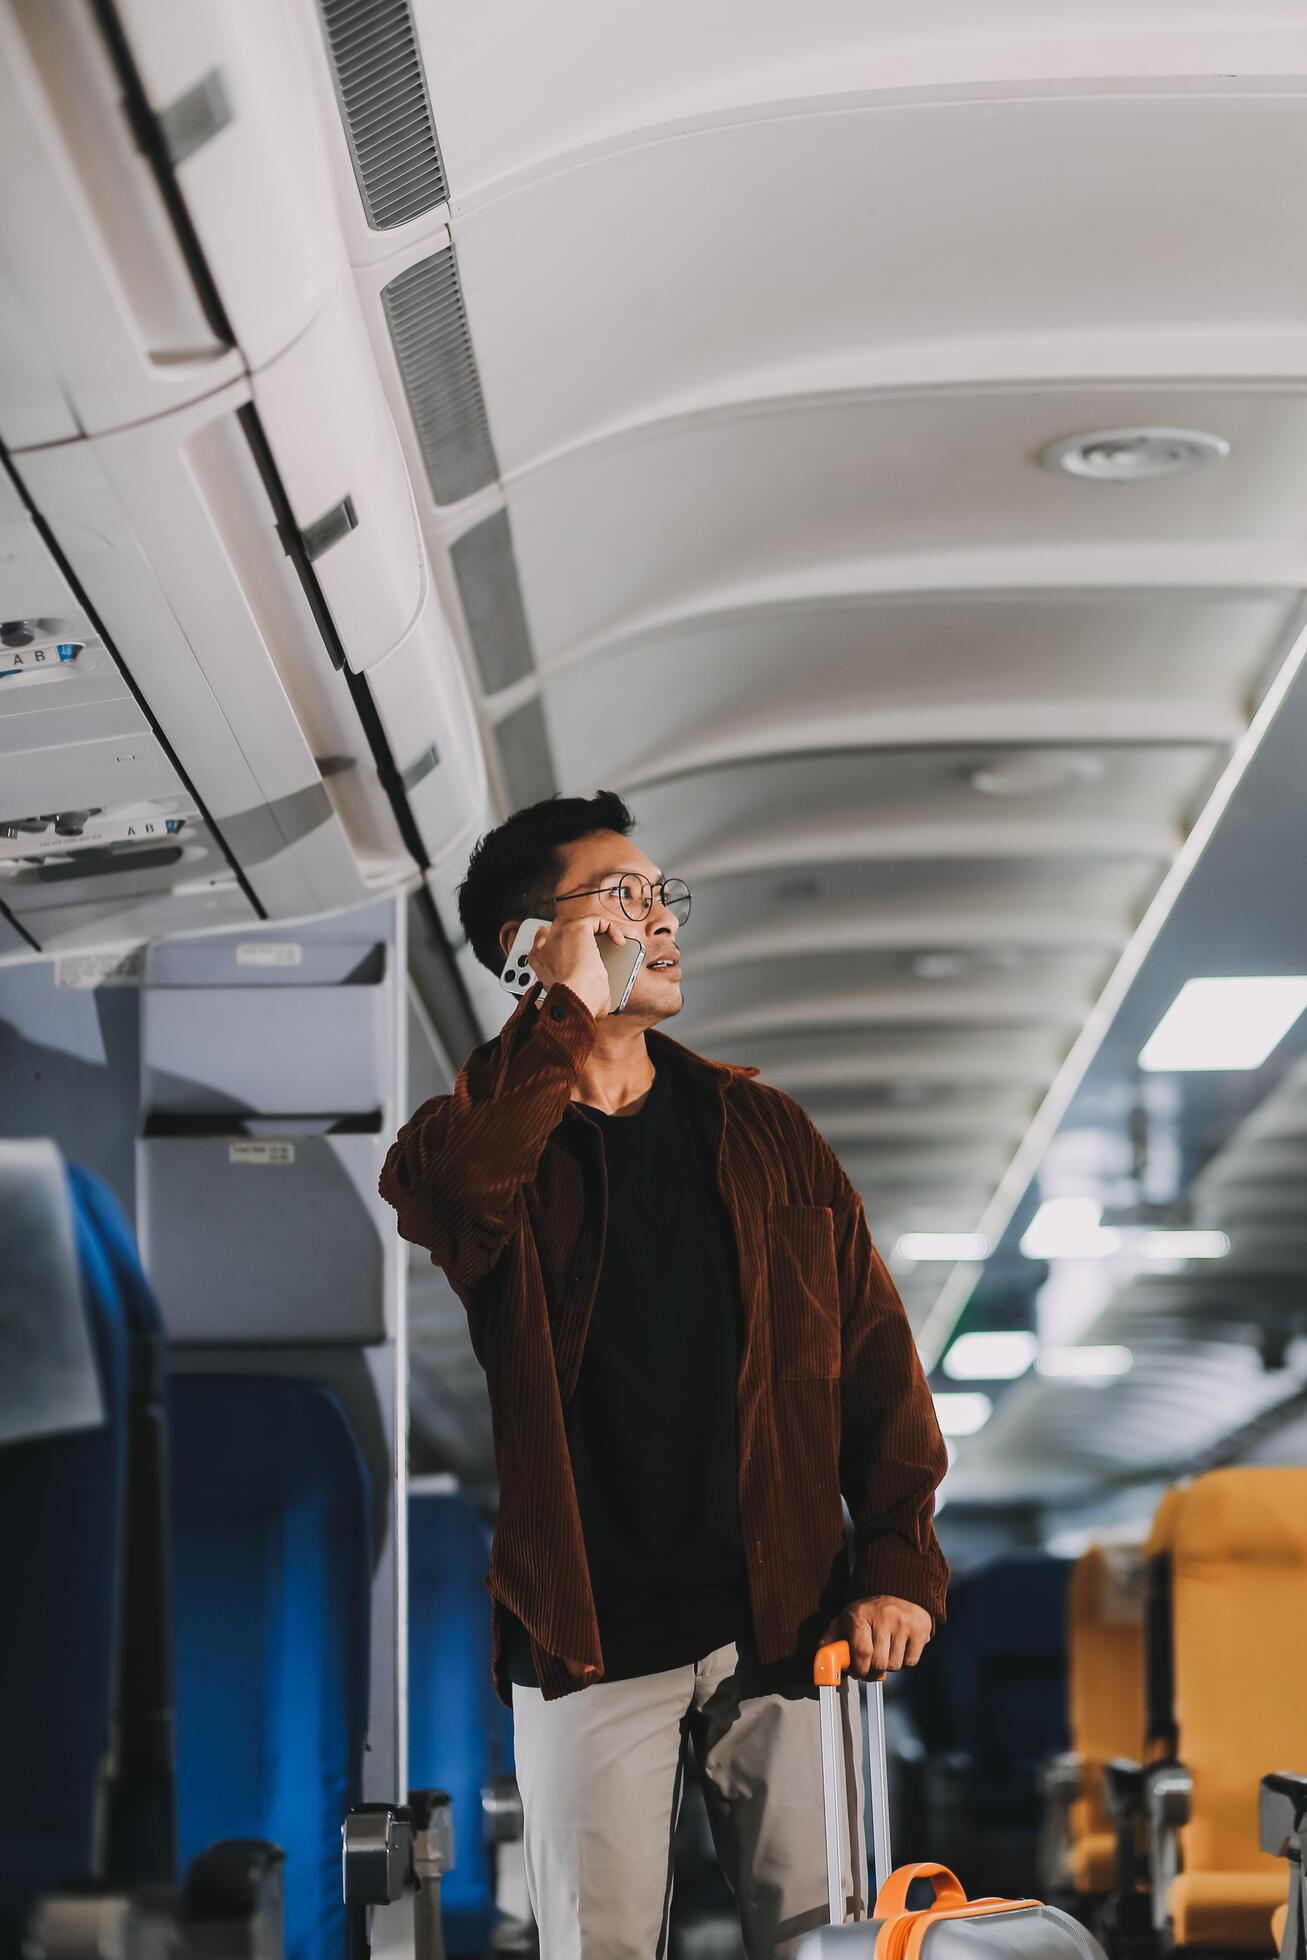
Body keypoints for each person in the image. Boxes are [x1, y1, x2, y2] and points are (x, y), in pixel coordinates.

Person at [379, 790, 948, 1959]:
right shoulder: (474, 1144)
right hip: (585, 1638)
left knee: (828, 1944)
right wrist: (558, 1018)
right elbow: (443, 1204)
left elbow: (876, 1368)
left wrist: (895, 1563)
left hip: (787, 1626)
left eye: (661, 894)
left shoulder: (764, 1130)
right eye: (624, 898)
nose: (662, 919)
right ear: (532, 944)